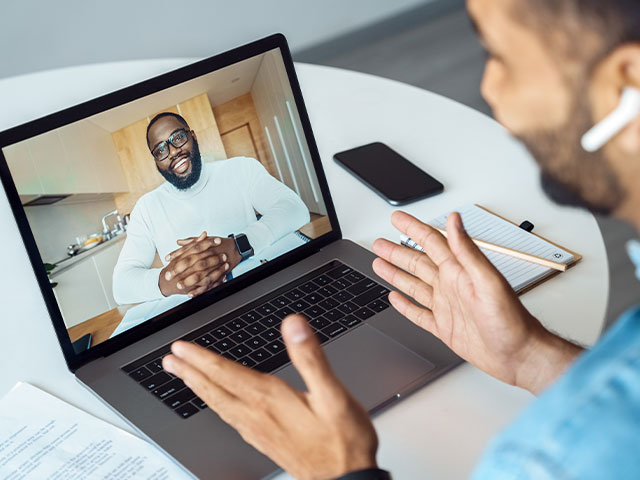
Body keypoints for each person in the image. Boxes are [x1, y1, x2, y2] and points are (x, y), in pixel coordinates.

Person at [162, 0, 640, 478]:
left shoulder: (550, 459)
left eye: (503, 58)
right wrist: (531, 357)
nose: (488, 88)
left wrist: (343, 470)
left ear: (629, 80)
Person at [112, 112, 309, 305]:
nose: (172, 151)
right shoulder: (146, 208)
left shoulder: (241, 168)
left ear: (193, 136)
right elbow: (121, 286)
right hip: (197, 312)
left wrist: (237, 247)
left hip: (260, 290)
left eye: (178, 137)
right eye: (160, 150)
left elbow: (295, 208)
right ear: (156, 161)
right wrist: (175, 279)